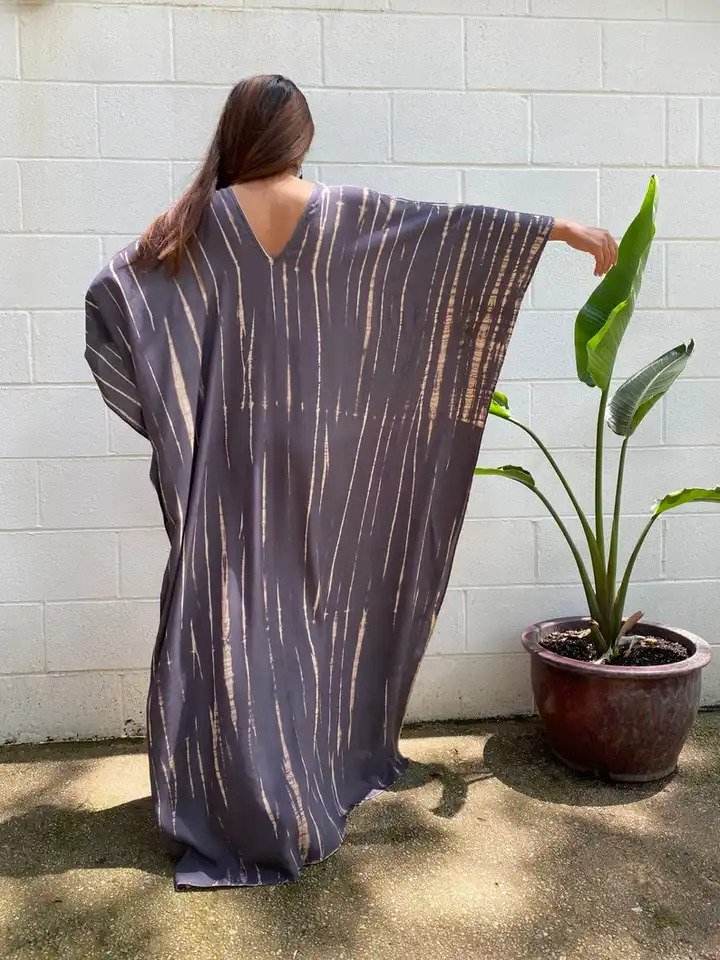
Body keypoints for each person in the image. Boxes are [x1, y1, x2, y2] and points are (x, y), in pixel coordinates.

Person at [84, 74, 618, 891]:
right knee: (307, 613)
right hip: (321, 458)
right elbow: (445, 234)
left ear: (235, 135)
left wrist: (173, 416)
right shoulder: (339, 210)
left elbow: (112, 297)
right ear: (298, 139)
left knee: (229, 617)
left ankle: (236, 800)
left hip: (231, 455)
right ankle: (299, 786)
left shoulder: (197, 222)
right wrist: (558, 228)